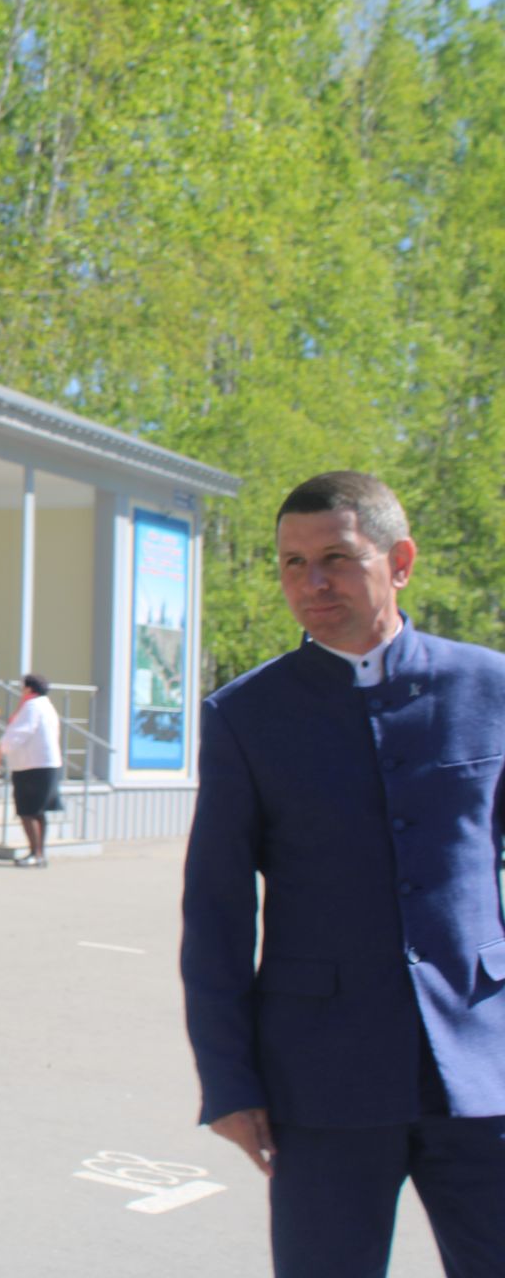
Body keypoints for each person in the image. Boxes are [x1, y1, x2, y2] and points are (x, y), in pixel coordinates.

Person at [182, 471, 505, 1277]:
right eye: (292, 563)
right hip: (320, 1080)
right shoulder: (245, 716)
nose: (311, 582)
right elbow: (217, 912)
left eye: (336, 558)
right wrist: (228, 1080)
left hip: (483, 1064)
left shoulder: (491, 689)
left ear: (399, 561)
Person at [0, 672, 62, 867]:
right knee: (38, 811)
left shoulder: (31, 706)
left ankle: (35, 853)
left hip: (31, 765)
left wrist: (0, 752)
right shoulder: (46, 705)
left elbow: (18, 733)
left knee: (27, 810)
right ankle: (40, 853)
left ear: (29, 688)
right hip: (46, 764)